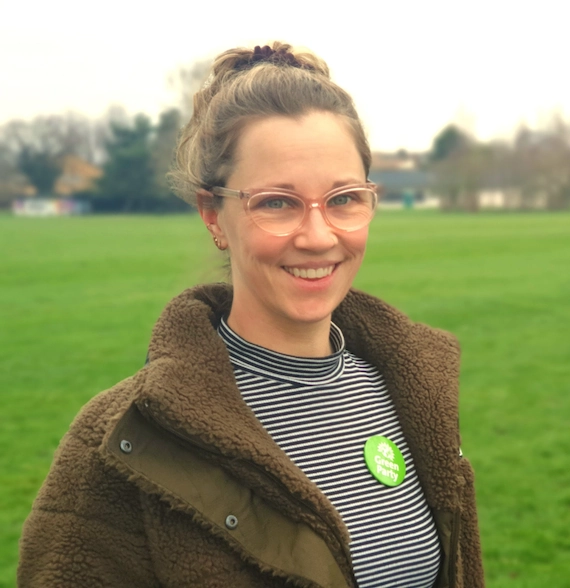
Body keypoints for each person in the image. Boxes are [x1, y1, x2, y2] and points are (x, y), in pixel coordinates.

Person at [18, 42, 484, 587]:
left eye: (344, 199)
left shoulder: (409, 390)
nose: (318, 236)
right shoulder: (120, 441)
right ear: (214, 215)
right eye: (276, 202)